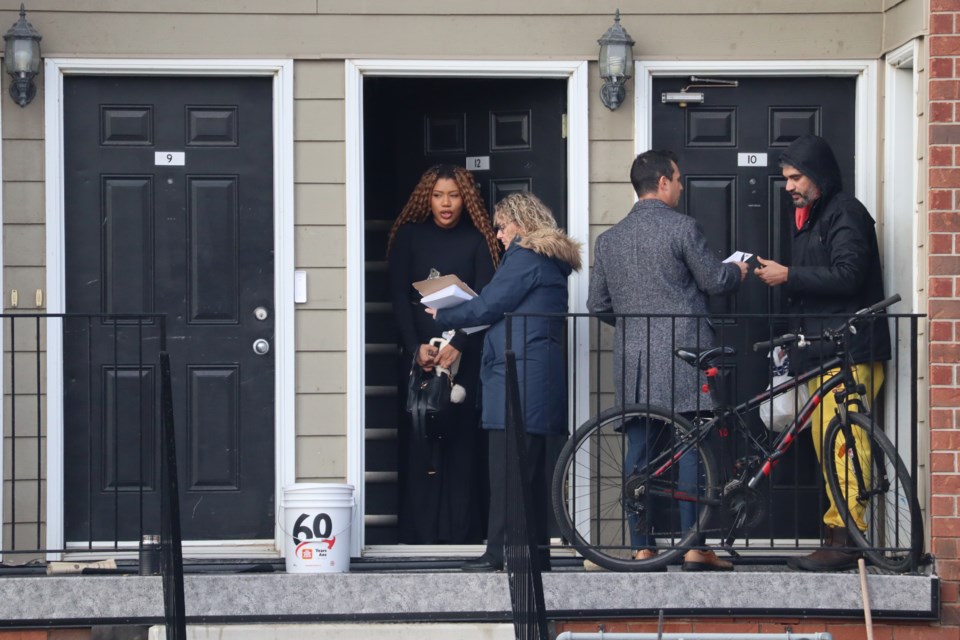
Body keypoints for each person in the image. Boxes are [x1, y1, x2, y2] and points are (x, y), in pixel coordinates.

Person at [587, 149, 748, 571]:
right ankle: (694, 547)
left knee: (639, 454)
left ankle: (643, 546)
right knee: (693, 448)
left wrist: (635, 327)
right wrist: (740, 271)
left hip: (635, 360)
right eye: (677, 179)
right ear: (662, 182)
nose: (680, 186)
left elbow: (596, 304)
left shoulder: (609, 240)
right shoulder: (682, 229)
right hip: (685, 356)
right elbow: (715, 279)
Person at [755, 133, 891, 571]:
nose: (789, 186)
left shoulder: (845, 213)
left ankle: (849, 539)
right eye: (786, 178)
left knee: (844, 443)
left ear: (818, 174)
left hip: (851, 352)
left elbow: (850, 276)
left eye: (795, 177)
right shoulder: (813, 217)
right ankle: (835, 533)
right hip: (822, 352)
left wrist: (789, 275)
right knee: (825, 441)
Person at [426, 192, 582, 571]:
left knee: (508, 471)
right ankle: (533, 554)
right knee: (525, 472)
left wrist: (441, 314)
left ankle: (500, 553)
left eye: (502, 226)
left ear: (521, 223)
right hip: (530, 376)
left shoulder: (527, 257)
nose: (497, 234)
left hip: (519, 378)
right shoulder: (544, 259)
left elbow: (489, 305)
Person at [386, 164, 500, 545]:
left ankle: (462, 534)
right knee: (420, 442)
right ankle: (419, 536)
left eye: (453, 195)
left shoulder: (478, 240)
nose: (446, 203)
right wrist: (414, 346)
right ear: (427, 199)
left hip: (463, 357)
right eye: (438, 195)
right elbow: (400, 297)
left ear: (464, 198)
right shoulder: (409, 236)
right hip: (421, 356)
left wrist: (458, 345)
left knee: (461, 445)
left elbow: (486, 301)